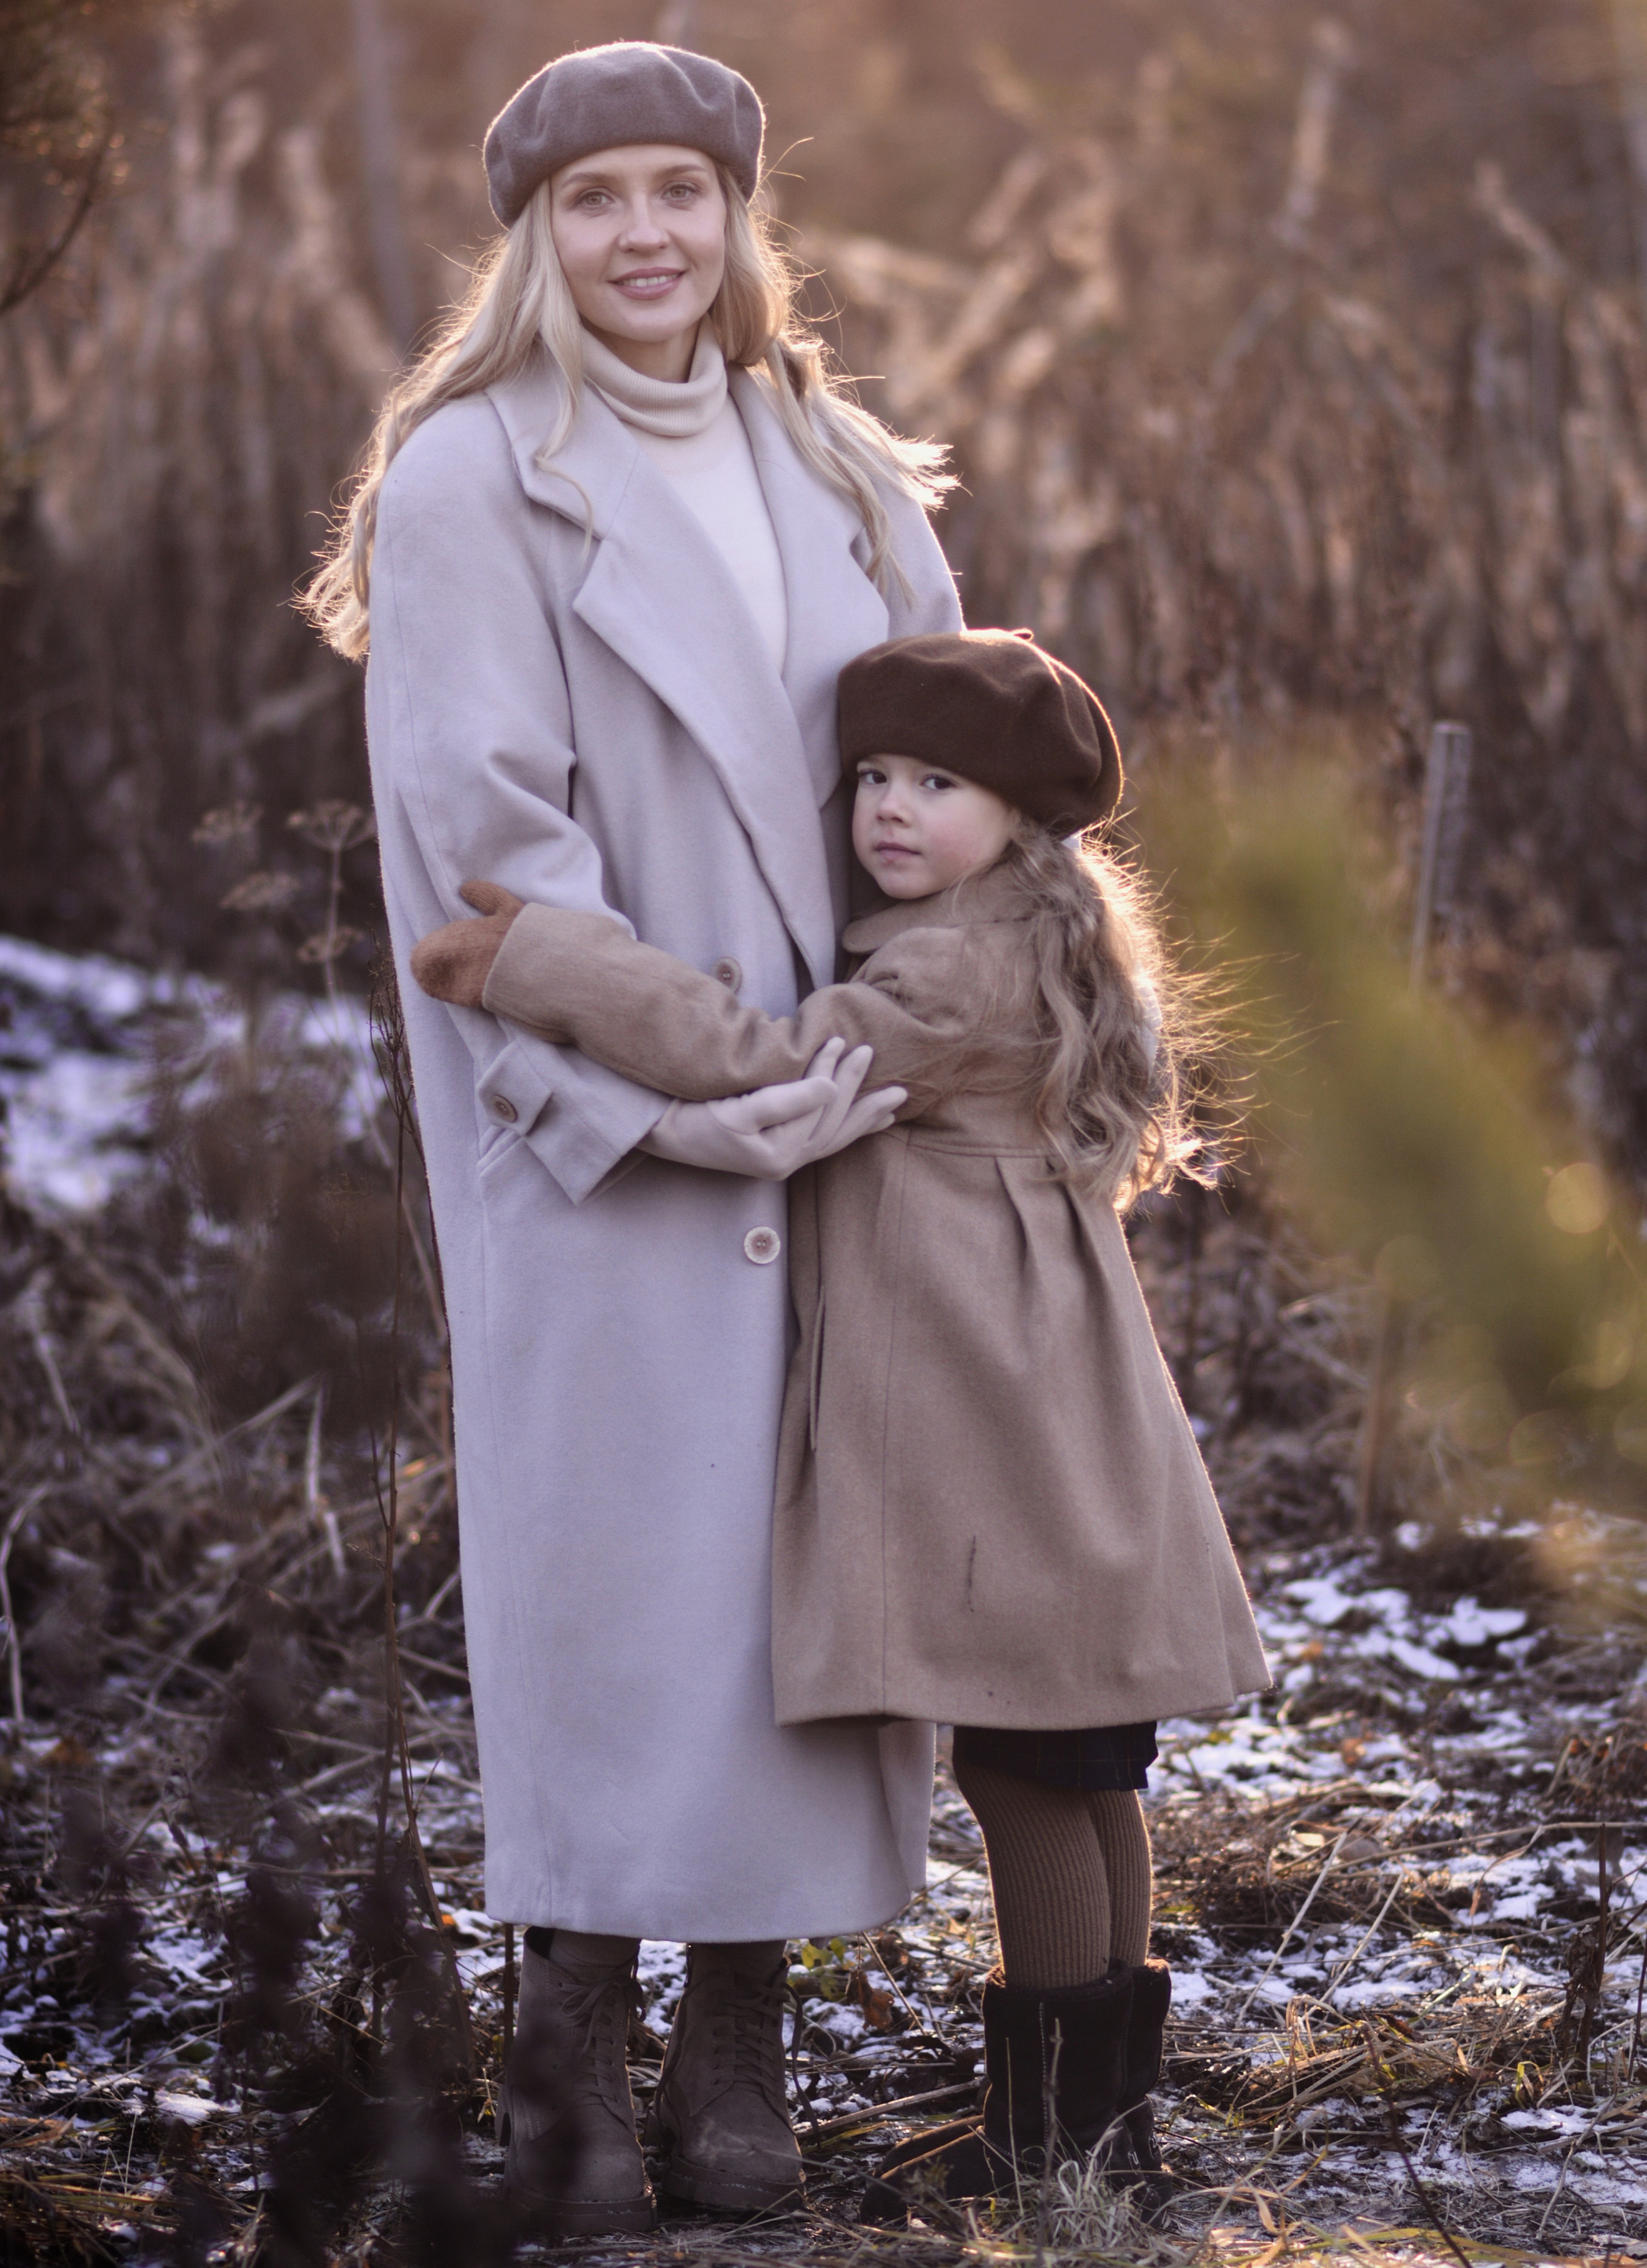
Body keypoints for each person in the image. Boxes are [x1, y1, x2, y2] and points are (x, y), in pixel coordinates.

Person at [300, 41, 967, 2238]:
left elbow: (949, 809)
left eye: (685, 190)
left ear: (744, 215)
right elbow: (482, 869)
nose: (648, 236)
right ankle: (568, 2046)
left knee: (801, 1582)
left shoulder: (851, 473)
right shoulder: (477, 477)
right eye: (595, 203)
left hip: (852, 1118)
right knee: (618, 1576)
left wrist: (899, 1055)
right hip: (599, 1134)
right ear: (531, 238)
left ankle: (747, 2041)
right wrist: (684, 1095)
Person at [412, 627, 1273, 2218]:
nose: (886, 807)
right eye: (871, 773)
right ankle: (1091, 2136)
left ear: (1015, 815)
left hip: (990, 1409)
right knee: (1084, 1761)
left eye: (934, 783)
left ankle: (1057, 2152)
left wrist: (545, 959)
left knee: (1030, 1767)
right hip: (1049, 1397)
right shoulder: (1032, 927)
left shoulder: (942, 966)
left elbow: (769, 1063)